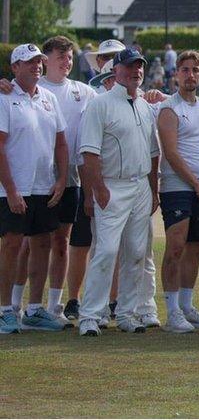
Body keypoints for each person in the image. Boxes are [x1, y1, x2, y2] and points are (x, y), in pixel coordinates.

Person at [76, 47, 159, 336]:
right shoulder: (101, 104)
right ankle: (90, 315)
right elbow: (89, 153)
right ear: (116, 70)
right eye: (130, 67)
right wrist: (98, 189)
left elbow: (152, 152)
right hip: (111, 185)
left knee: (137, 251)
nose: (136, 71)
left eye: (140, 67)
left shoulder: (146, 106)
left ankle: (127, 313)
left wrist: (154, 190)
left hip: (140, 186)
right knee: (107, 250)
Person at [0, 44, 69, 334]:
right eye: (29, 63)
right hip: (14, 189)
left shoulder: (49, 98)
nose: (36, 66)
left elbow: (61, 142)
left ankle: (35, 309)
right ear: (15, 68)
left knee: (43, 243)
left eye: (39, 62)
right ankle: (5, 311)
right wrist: (12, 190)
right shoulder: (4, 98)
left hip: (44, 186)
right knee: (12, 245)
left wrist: (62, 178)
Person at [156, 51, 199, 333]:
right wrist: (196, 183)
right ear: (176, 74)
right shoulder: (169, 109)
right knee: (175, 246)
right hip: (177, 188)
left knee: (196, 246)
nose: (190, 74)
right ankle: (171, 313)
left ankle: (186, 306)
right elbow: (170, 153)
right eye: (185, 69)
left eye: (195, 70)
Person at [36, 36, 97, 325]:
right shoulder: (34, 89)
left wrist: (152, 97)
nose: (67, 61)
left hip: (71, 177)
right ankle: (16, 304)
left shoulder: (83, 91)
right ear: (45, 59)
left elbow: (113, 101)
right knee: (31, 243)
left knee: (62, 241)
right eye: (60, 56)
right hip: (37, 179)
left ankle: (54, 305)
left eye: (69, 56)